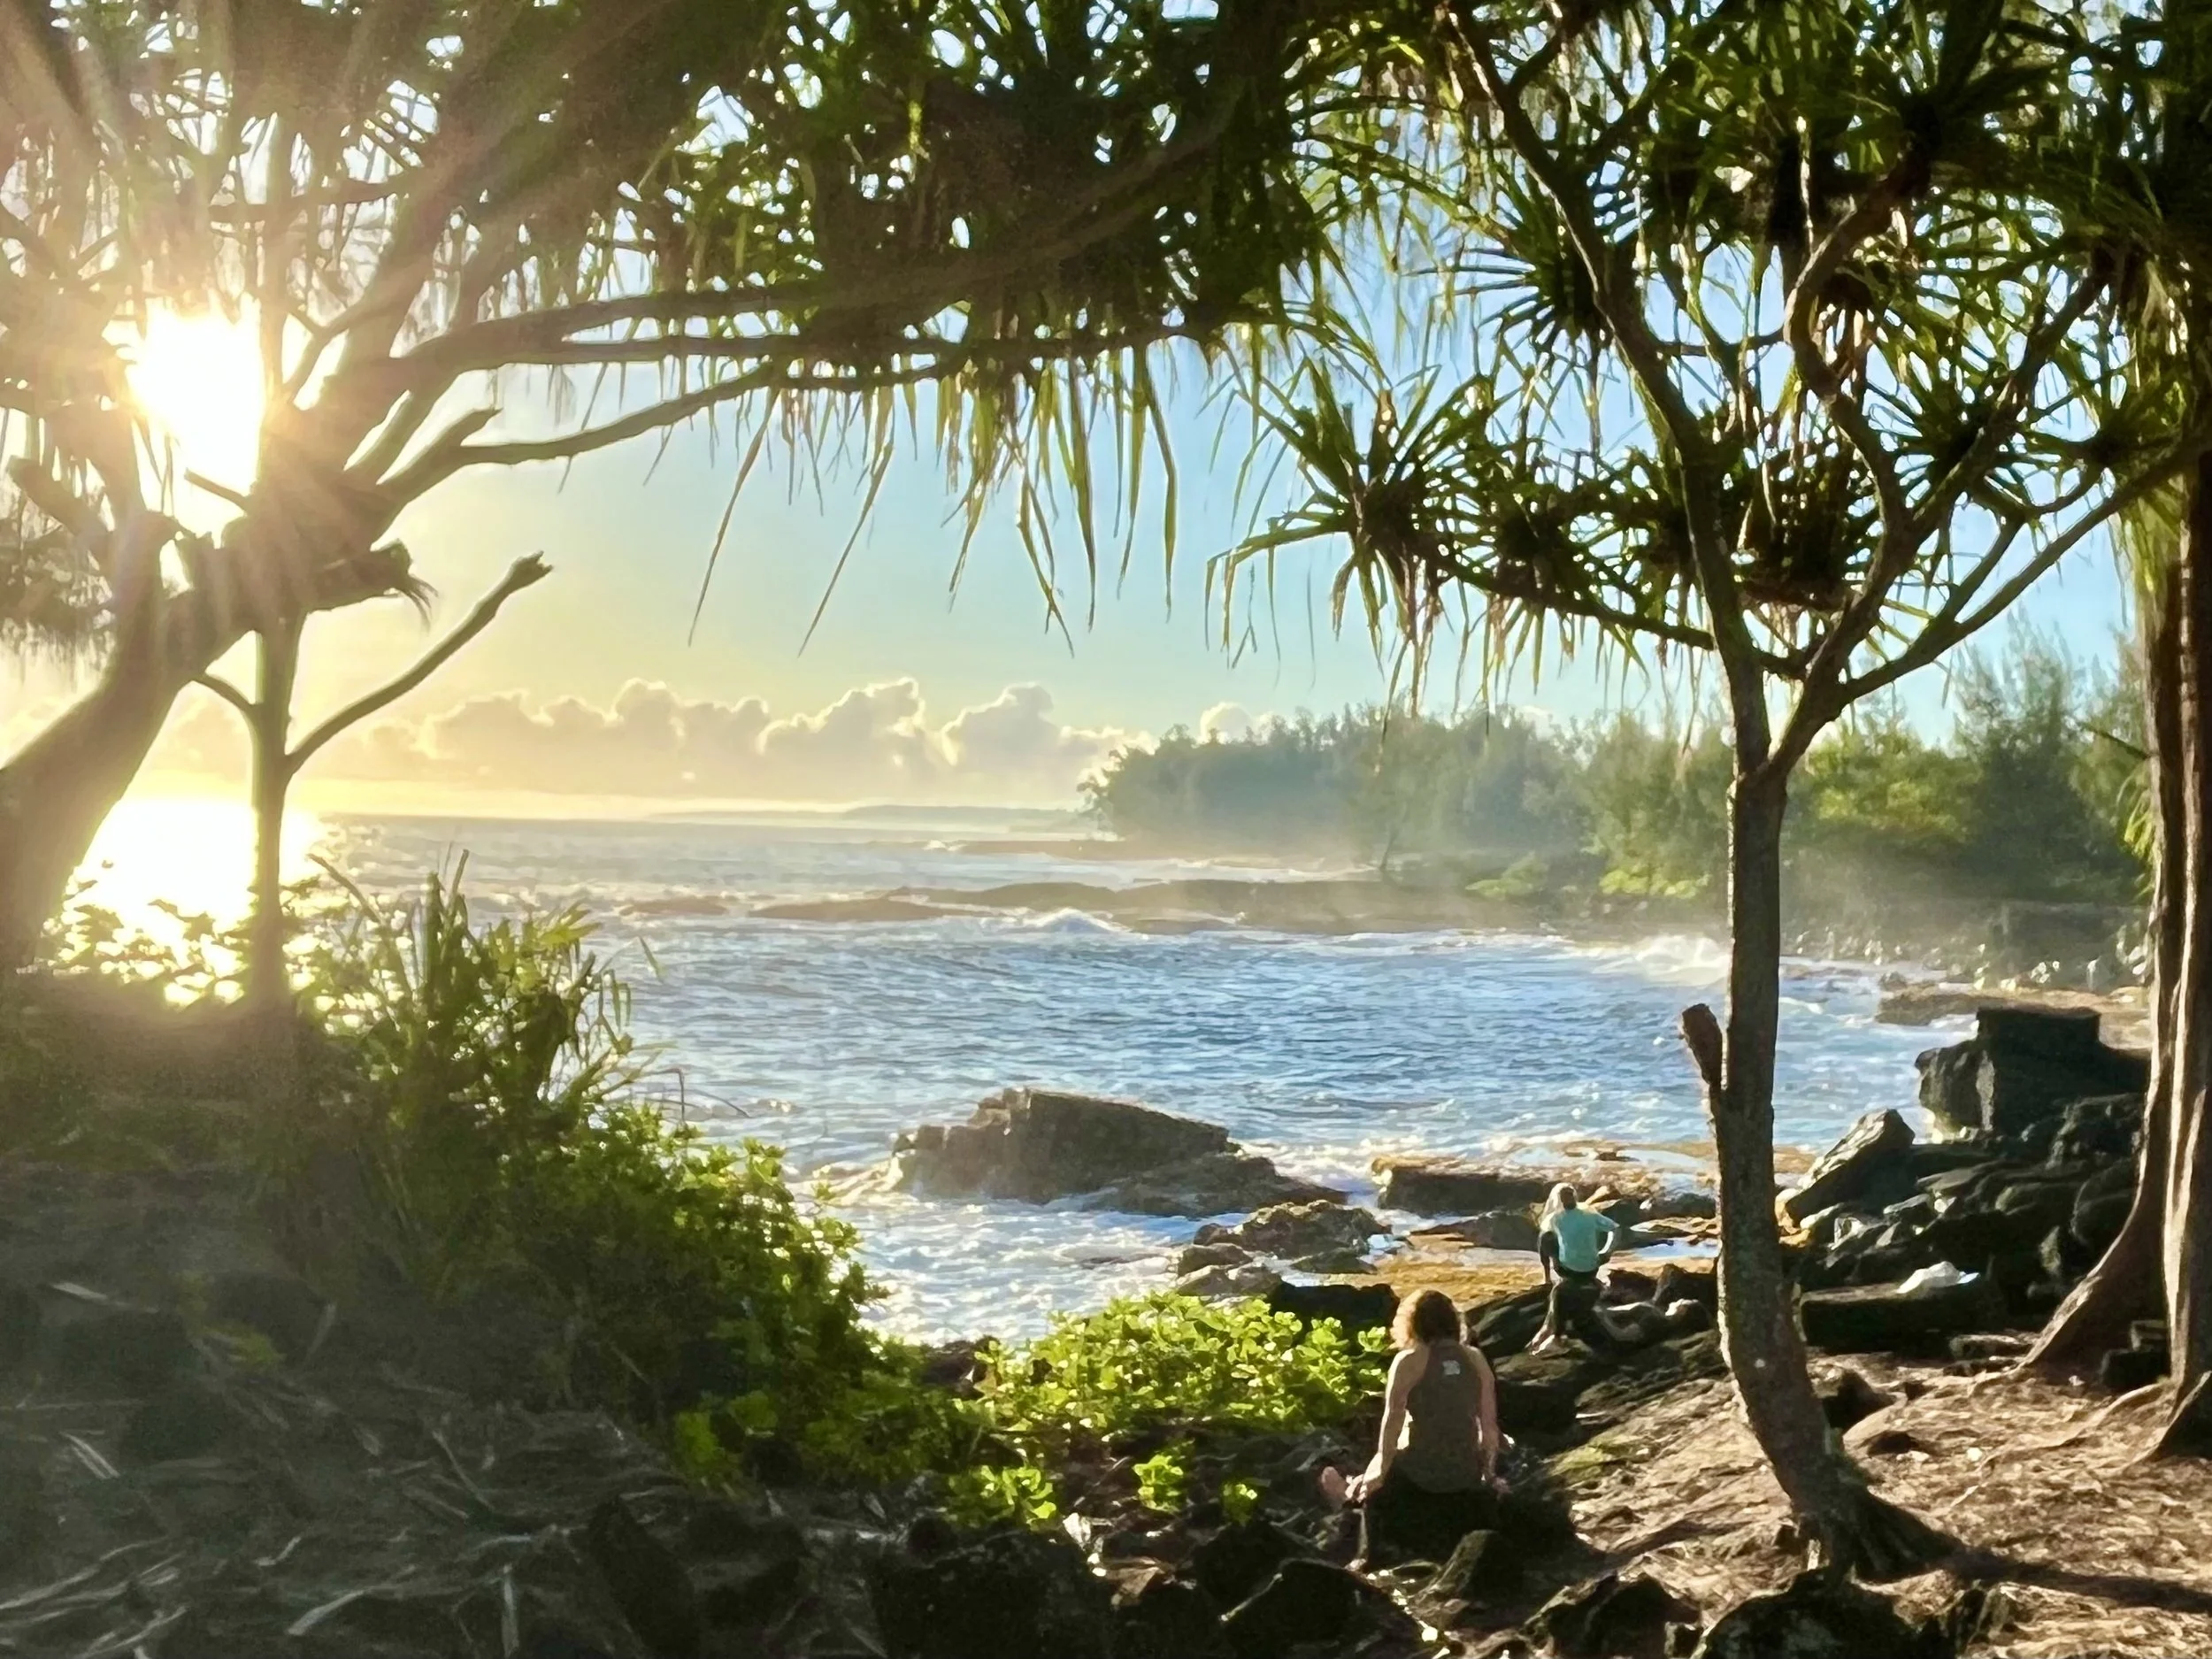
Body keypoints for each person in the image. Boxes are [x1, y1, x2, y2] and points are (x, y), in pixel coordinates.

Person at [1317, 1288, 1502, 1568]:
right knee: (1407, 1443)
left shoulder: (1409, 1360)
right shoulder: (1476, 1358)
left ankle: (1350, 1507)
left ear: (1412, 1322)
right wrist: (1489, 1473)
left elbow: (1392, 1421)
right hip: (1465, 1472)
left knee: (1372, 1475)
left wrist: (1379, 1472)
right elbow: (1488, 1426)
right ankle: (1354, 1485)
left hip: (1422, 1472)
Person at [1532, 1184, 1619, 1353]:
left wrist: (1607, 1251)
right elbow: (1615, 1228)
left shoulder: (1556, 1218)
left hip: (1570, 1269)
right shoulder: (1587, 1214)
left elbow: (1545, 1239)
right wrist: (1608, 1250)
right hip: (1590, 1267)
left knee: (1545, 1239)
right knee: (1548, 1238)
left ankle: (1557, 1336)